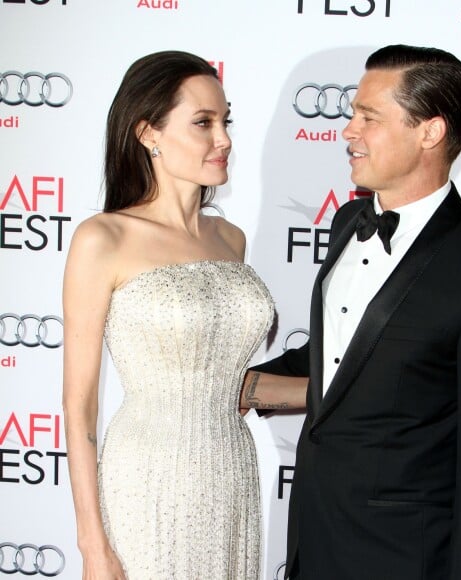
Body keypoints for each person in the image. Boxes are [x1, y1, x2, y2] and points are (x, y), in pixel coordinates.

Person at [243, 44, 461, 580]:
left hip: (403, 559)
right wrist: (237, 382)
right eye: (352, 113)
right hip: (312, 541)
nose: (348, 131)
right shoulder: (347, 221)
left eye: (369, 117)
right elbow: (344, 352)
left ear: (429, 132)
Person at [62, 50, 305, 580]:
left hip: (231, 473)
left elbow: (228, 382)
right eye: (203, 123)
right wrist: (92, 546)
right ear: (148, 133)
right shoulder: (104, 238)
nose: (224, 139)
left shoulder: (230, 239)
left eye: (225, 121)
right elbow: (79, 406)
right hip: (147, 478)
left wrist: (342, 389)